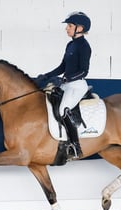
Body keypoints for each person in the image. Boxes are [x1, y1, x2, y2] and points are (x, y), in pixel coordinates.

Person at [36, 11, 92, 159]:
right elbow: (62, 66)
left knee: (63, 109)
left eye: (69, 25)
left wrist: (66, 80)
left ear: (79, 28)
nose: (66, 28)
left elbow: (84, 71)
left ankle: (75, 146)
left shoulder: (84, 47)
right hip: (66, 84)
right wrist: (47, 75)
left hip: (77, 86)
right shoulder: (70, 45)